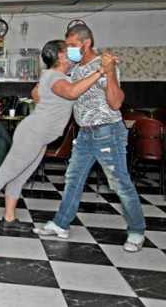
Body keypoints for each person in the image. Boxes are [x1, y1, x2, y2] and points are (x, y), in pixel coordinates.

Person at [0, 40, 106, 234]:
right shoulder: (55, 77)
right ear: (60, 55)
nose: (74, 52)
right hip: (33, 133)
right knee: (7, 172)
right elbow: (72, 92)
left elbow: (36, 93)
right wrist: (100, 72)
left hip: (41, 136)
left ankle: (9, 218)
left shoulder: (57, 77)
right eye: (69, 50)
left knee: (19, 176)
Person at [34, 25, 146, 253]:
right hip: (85, 133)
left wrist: (109, 72)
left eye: (73, 46)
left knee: (120, 184)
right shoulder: (75, 68)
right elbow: (55, 90)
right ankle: (61, 223)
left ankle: (137, 230)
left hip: (108, 132)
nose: (70, 51)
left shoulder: (103, 64)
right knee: (73, 179)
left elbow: (116, 103)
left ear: (86, 44)